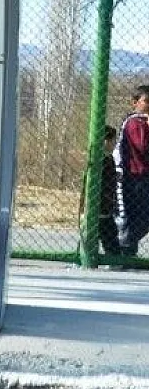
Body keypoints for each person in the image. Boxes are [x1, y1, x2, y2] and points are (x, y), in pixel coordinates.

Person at [115, 85, 149, 256]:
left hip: (143, 176)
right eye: (146, 101)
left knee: (140, 216)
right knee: (138, 215)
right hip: (135, 177)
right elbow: (142, 147)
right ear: (135, 103)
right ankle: (124, 245)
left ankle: (127, 247)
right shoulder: (134, 122)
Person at [78, 125, 120, 259]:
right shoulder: (100, 159)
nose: (114, 144)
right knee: (103, 234)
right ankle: (109, 258)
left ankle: (110, 257)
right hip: (99, 206)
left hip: (105, 207)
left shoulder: (109, 158)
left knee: (106, 234)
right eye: (113, 140)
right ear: (105, 141)